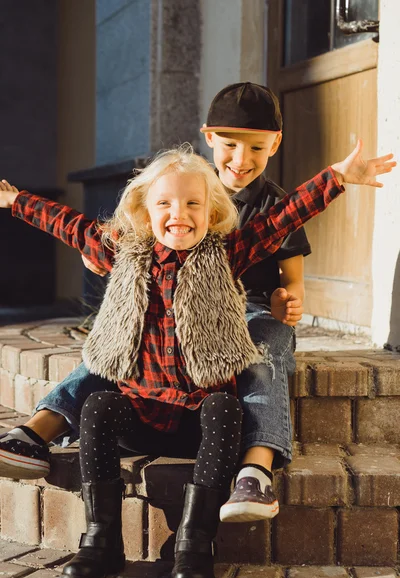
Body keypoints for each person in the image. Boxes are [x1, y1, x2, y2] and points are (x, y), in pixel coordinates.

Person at [0, 143, 395, 578]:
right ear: (144, 213)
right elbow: (67, 224)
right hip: (143, 414)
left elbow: (280, 220)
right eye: (165, 203)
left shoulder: (225, 254)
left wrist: (338, 177)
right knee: (98, 404)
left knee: (226, 407)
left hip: (198, 423)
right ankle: (101, 539)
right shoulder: (124, 253)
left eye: (193, 203)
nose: (178, 213)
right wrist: (15, 201)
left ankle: (194, 544)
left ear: (212, 212)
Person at [0, 84, 308, 525]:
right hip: (176, 303)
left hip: (251, 309)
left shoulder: (267, 210)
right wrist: (20, 204)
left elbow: (292, 266)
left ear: (275, 144)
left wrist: (288, 299)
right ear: (208, 138)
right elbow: (84, 229)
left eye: (256, 147)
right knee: (112, 351)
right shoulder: (181, 181)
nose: (241, 158)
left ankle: (256, 467)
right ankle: (36, 431)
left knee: (263, 356)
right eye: (230, 145)